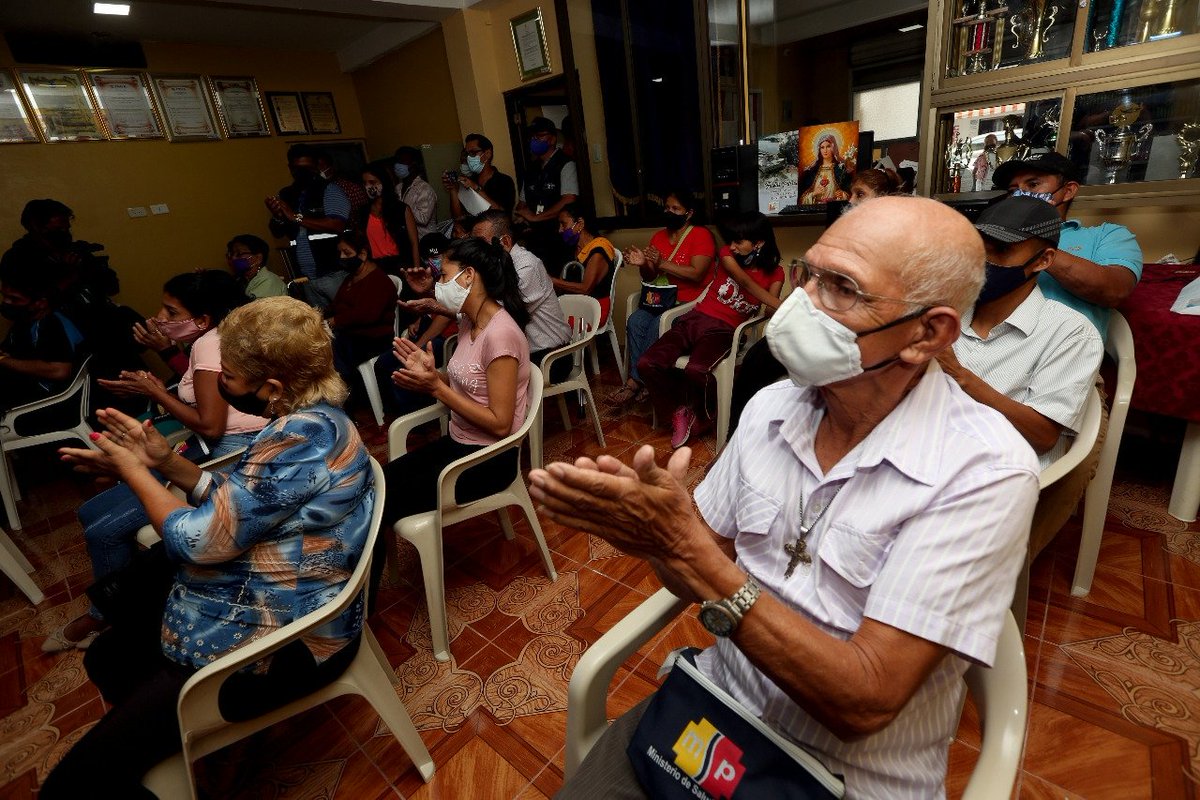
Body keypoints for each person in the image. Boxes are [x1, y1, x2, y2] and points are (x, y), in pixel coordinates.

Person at [533, 196, 1041, 799]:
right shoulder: (772, 407)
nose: (801, 304)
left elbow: (863, 701)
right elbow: (686, 569)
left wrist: (691, 554)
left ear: (927, 334)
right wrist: (649, 531)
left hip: (843, 777)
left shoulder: (985, 469)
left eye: (842, 288)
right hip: (710, 719)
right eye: (808, 275)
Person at [42, 297, 373, 798]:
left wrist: (135, 471)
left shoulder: (298, 438)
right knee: (109, 654)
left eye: (231, 377)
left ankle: (200, 732)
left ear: (273, 387)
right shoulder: (309, 421)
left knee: (73, 786)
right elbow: (245, 505)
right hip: (276, 608)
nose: (219, 385)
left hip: (281, 646)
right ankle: (191, 741)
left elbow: (198, 543)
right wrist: (168, 465)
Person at [43, 270, 268, 653]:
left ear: (202, 319)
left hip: (228, 454)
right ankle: (144, 597)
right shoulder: (212, 339)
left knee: (104, 530)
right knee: (92, 511)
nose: (160, 316)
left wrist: (153, 391)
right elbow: (206, 393)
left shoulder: (210, 344)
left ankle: (108, 617)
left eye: (170, 309)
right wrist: (159, 375)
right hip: (211, 447)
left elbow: (212, 425)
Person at [936, 195, 1104, 621]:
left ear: (1043, 260)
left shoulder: (1069, 334)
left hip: (992, 474)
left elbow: (1044, 434)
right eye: (979, 246)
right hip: (928, 448)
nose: (985, 260)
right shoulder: (949, 310)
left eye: (1002, 250)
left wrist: (961, 376)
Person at [377, 237, 531, 587]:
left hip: (487, 460)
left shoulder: (501, 336)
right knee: (377, 484)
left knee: (379, 501)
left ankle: (355, 609)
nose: (440, 283)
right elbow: (468, 379)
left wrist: (436, 388)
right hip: (459, 445)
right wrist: (435, 375)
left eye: (444, 275)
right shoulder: (470, 321)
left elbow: (500, 424)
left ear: (468, 276)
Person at [637, 211, 784, 448]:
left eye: (739, 241)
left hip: (724, 330)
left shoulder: (776, 272)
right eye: (732, 240)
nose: (732, 246)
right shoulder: (727, 254)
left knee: (697, 369)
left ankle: (703, 416)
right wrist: (786, 305)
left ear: (758, 243)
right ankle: (679, 411)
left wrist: (781, 304)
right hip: (694, 319)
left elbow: (768, 310)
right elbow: (746, 283)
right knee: (647, 362)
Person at [992, 151, 1142, 338]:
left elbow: (1115, 291)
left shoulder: (1107, 235)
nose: (1019, 196)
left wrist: (1032, 243)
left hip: (1062, 353)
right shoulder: (995, 236)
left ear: (1068, 190)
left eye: (1033, 184)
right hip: (987, 344)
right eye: (1013, 190)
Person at [612, 190, 717, 405]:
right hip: (661, 300)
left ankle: (641, 380)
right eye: (667, 207)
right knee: (636, 320)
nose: (669, 212)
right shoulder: (658, 237)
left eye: (675, 209)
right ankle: (640, 379)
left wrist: (662, 263)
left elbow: (697, 274)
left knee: (658, 323)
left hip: (691, 303)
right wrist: (644, 264)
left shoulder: (700, 235)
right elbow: (651, 275)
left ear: (688, 213)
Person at [472, 210, 572, 382]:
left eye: (481, 244)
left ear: (505, 241)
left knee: (481, 379)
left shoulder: (527, 266)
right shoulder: (495, 265)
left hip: (551, 356)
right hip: (524, 353)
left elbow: (500, 315)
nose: (476, 251)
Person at [265, 144, 352, 309]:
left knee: (347, 315)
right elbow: (278, 233)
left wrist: (295, 217)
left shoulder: (330, 190)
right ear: (291, 168)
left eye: (307, 168)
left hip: (334, 272)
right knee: (321, 325)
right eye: (298, 169)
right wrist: (278, 217)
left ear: (316, 167)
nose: (302, 173)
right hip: (305, 276)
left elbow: (337, 225)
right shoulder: (286, 194)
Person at [0, 263, 85, 412]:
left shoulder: (54, 324)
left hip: (47, 401)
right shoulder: (24, 322)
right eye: (4, 296)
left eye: (14, 299)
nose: (6, 302)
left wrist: (3, 360)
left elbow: (60, 370)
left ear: (41, 302)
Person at [327, 231, 400, 398]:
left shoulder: (378, 280)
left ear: (363, 254)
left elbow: (368, 315)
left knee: (335, 347)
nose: (342, 257)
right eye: (340, 253)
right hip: (352, 334)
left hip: (374, 338)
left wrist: (336, 320)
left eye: (347, 253)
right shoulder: (351, 278)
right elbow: (336, 304)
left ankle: (345, 397)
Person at [515, 117, 579, 269]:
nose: (534, 140)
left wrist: (536, 218)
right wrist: (523, 217)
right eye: (532, 137)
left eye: (540, 136)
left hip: (559, 237)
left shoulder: (565, 163)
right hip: (535, 239)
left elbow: (569, 199)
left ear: (552, 139)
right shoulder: (531, 169)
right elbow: (522, 204)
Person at [552, 203, 616, 322]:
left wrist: (553, 281)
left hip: (594, 308)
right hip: (574, 306)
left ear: (580, 223)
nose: (560, 230)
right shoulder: (572, 249)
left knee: (553, 327)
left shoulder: (599, 250)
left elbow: (586, 288)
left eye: (563, 224)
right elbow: (561, 285)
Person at [362, 161, 420, 272]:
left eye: (372, 182)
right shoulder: (363, 212)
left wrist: (416, 270)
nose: (368, 186)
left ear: (383, 182)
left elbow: (414, 244)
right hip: (376, 268)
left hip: (401, 266)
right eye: (365, 183)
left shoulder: (401, 209)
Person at [444, 133, 517, 218]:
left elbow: (503, 215)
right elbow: (458, 217)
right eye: (467, 154)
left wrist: (476, 188)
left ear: (487, 154)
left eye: (473, 152)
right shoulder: (469, 181)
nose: (468, 158)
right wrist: (453, 189)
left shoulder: (504, 181)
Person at [316, 149, 370, 229]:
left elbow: (362, 215)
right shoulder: (316, 190)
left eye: (321, 166)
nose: (318, 170)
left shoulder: (349, 188)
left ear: (330, 167)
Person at [393, 146, 440, 239]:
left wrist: (401, 208)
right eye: (397, 162)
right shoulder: (398, 188)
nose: (398, 165)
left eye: (402, 162)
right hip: (407, 240)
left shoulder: (424, 189)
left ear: (413, 165)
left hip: (425, 240)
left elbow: (423, 219)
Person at [798, 133, 854, 205]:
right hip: (816, 210)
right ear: (819, 149)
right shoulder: (812, 171)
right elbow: (802, 199)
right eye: (822, 147)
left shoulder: (841, 169)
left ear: (833, 147)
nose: (825, 150)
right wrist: (814, 193)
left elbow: (850, 195)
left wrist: (842, 194)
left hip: (833, 209)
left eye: (828, 146)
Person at [226, 234, 286, 299]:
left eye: (239, 254)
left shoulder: (268, 281)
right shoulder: (240, 280)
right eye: (231, 254)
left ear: (258, 258)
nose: (233, 258)